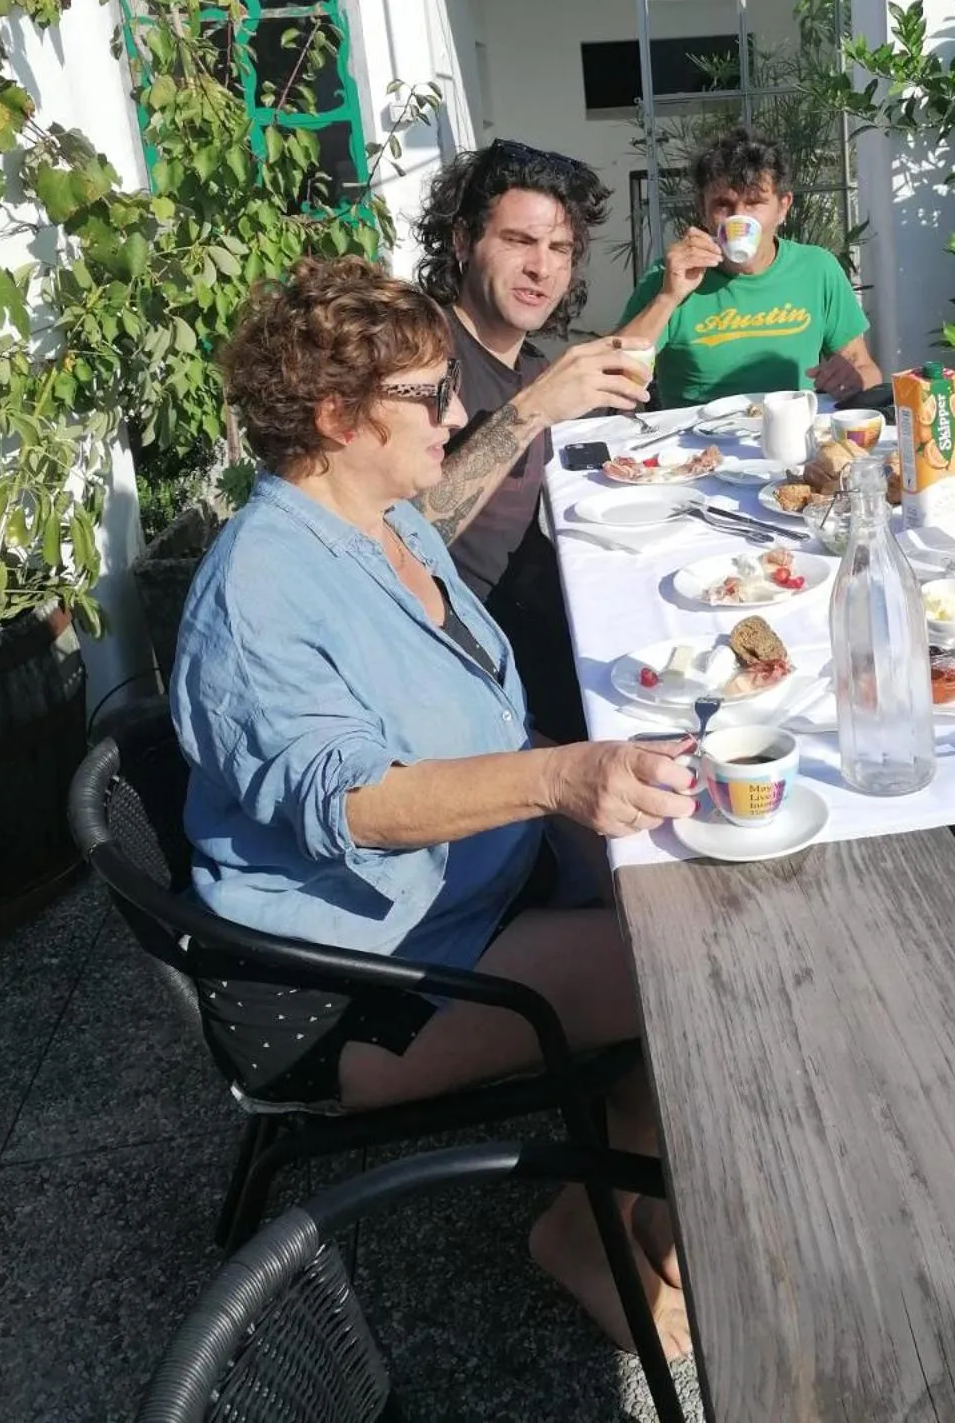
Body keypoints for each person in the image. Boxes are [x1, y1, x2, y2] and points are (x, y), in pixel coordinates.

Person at [169, 257, 695, 1357]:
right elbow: (351, 801)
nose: (458, 412)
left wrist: (602, 766)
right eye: (428, 394)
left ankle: (640, 1185)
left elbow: (479, 719)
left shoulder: (390, 525)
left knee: (701, 877)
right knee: (684, 968)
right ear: (334, 416)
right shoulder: (258, 586)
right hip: (345, 980)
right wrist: (559, 780)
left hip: (457, 890)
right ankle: (580, 1225)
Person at [413, 138, 652, 743]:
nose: (542, 267)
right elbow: (402, 539)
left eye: (560, 248)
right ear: (464, 241)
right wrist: (536, 409)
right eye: (519, 241)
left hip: (538, 613)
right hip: (462, 664)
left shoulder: (525, 364)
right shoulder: (422, 353)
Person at [618, 126, 881, 409]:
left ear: (783, 207)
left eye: (754, 203)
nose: (739, 217)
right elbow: (617, 376)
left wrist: (854, 379)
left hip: (793, 441)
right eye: (723, 204)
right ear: (701, 208)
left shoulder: (817, 268)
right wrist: (668, 297)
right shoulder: (670, 276)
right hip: (697, 445)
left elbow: (867, 371)